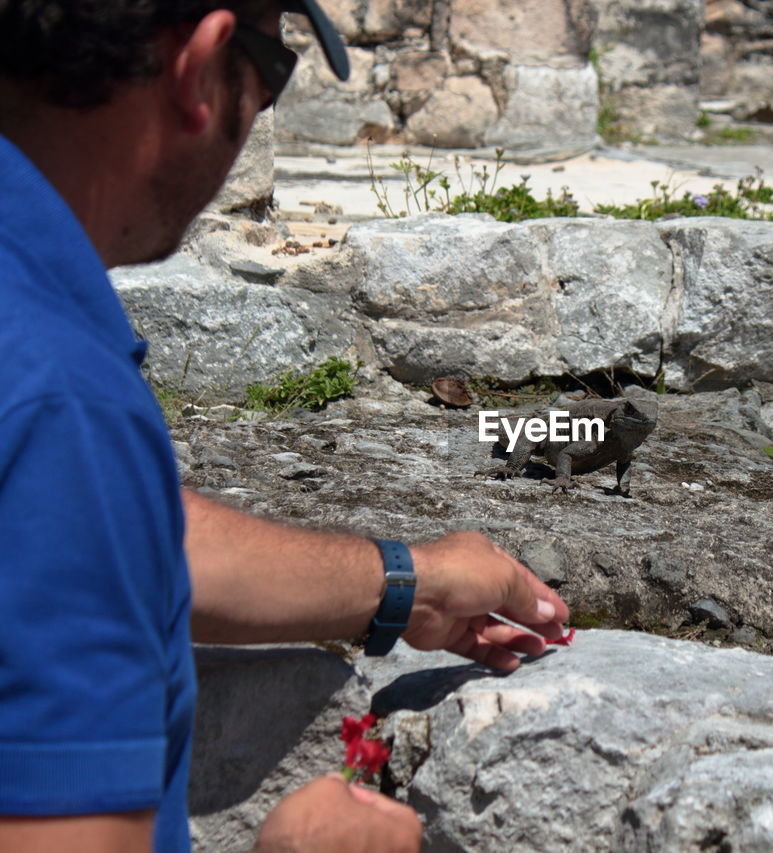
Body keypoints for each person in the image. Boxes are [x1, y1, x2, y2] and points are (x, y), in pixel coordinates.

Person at [0, 2, 570, 851]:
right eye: (273, 72)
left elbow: (108, 535)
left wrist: (406, 581)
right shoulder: (61, 402)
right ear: (200, 68)